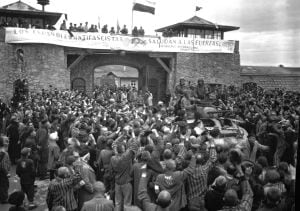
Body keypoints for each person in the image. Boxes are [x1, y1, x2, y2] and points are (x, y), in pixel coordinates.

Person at [111, 132, 138, 211]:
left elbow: (114, 144)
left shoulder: (113, 158)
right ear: (123, 150)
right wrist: (133, 133)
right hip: (126, 183)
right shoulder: (126, 157)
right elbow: (135, 145)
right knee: (127, 203)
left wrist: (122, 136)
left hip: (117, 183)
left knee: (118, 203)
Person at [0, 135, 10, 204]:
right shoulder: (4, 154)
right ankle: (4, 199)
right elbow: (3, 165)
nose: (8, 143)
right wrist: (7, 173)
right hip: (2, 172)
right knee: (4, 185)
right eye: (6, 141)